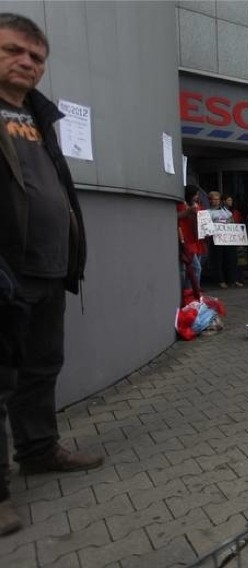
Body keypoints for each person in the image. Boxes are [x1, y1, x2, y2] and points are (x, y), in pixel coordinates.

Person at [0, 13, 103, 535]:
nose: (27, 62)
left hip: (47, 270)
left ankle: (39, 451)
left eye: (37, 57)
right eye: (14, 50)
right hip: (5, 273)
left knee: (42, 368)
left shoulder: (40, 117)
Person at [207, 191, 241, 289]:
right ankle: (220, 280)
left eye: (218, 199)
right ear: (210, 200)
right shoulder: (208, 212)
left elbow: (232, 223)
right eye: (214, 199)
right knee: (218, 260)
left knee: (230, 259)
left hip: (228, 238)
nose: (216, 201)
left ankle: (231, 279)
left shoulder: (226, 212)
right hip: (216, 238)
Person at [177, 184, 206, 296]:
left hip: (195, 238)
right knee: (195, 268)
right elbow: (176, 216)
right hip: (185, 238)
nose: (197, 197)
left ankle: (192, 289)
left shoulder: (196, 205)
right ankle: (191, 291)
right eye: (195, 195)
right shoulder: (182, 204)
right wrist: (189, 212)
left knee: (192, 268)